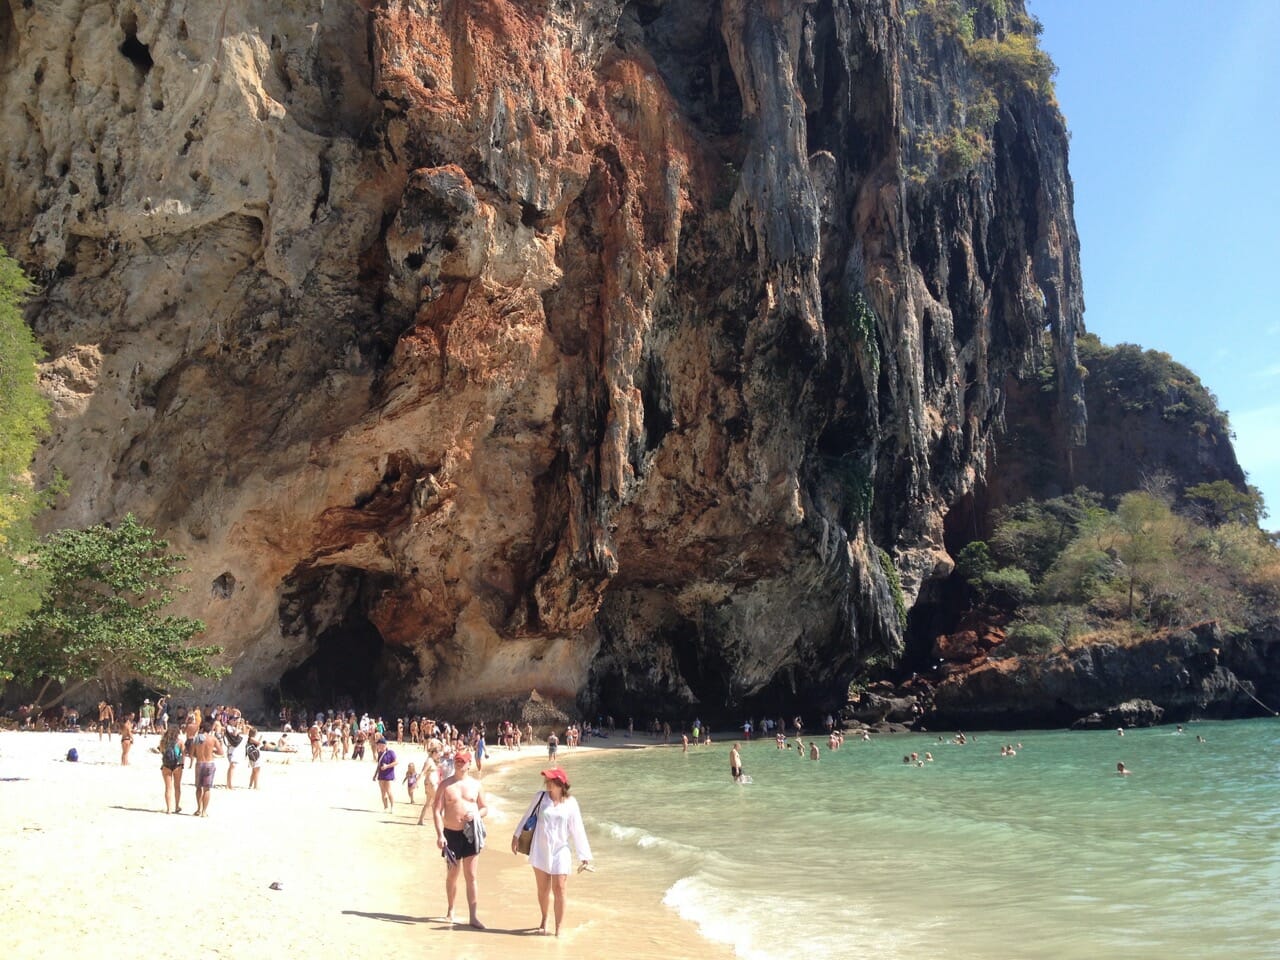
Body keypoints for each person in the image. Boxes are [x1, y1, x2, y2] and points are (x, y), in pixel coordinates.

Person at [510, 766, 592, 937]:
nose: (547, 783)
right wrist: (516, 836)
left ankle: (559, 927)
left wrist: (584, 856)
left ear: (561, 783)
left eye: (551, 780)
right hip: (540, 849)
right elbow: (526, 816)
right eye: (546, 780)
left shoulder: (571, 803)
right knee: (543, 889)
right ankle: (544, 919)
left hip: (561, 850)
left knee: (560, 888)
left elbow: (578, 829)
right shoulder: (540, 798)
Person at [433, 750, 487, 928]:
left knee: (471, 875)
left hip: (471, 834)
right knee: (452, 874)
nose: (459, 764)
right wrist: (440, 834)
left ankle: (473, 916)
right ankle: (451, 910)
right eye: (457, 761)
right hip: (451, 834)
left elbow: (485, 808)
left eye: (463, 761)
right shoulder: (446, 785)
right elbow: (436, 810)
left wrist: (476, 815)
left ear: (469, 764)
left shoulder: (476, 785)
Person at [190, 718, 226, 816]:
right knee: (207, 788)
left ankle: (198, 809)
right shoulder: (213, 739)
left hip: (199, 763)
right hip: (209, 763)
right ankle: (204, 811)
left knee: (198, 788)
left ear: (202, 729)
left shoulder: (196, 738)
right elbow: (221, 752)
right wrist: (212, 751)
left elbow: (191, 753)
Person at [159, 725, 183, 813]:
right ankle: (176, 806)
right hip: (177, 766)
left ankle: (169, 809)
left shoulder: (163, 742)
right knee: (177, 787)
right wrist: (181, 764)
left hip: (166, 765)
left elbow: (162, 752)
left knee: (168, 788)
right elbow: (182, 755)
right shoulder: (180, 742)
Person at [374, 737, 396, 810]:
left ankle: (392, 806)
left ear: (383, 745)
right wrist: (375, 774)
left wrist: (387, 766)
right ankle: (385, 807)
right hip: (381, 775)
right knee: (383, 792)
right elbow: (379, 764)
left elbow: (396, 762)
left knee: (389, 791)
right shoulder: (380, 753)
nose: (378, 746)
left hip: (388, 774)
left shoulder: (390, 752)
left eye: (379, 745)